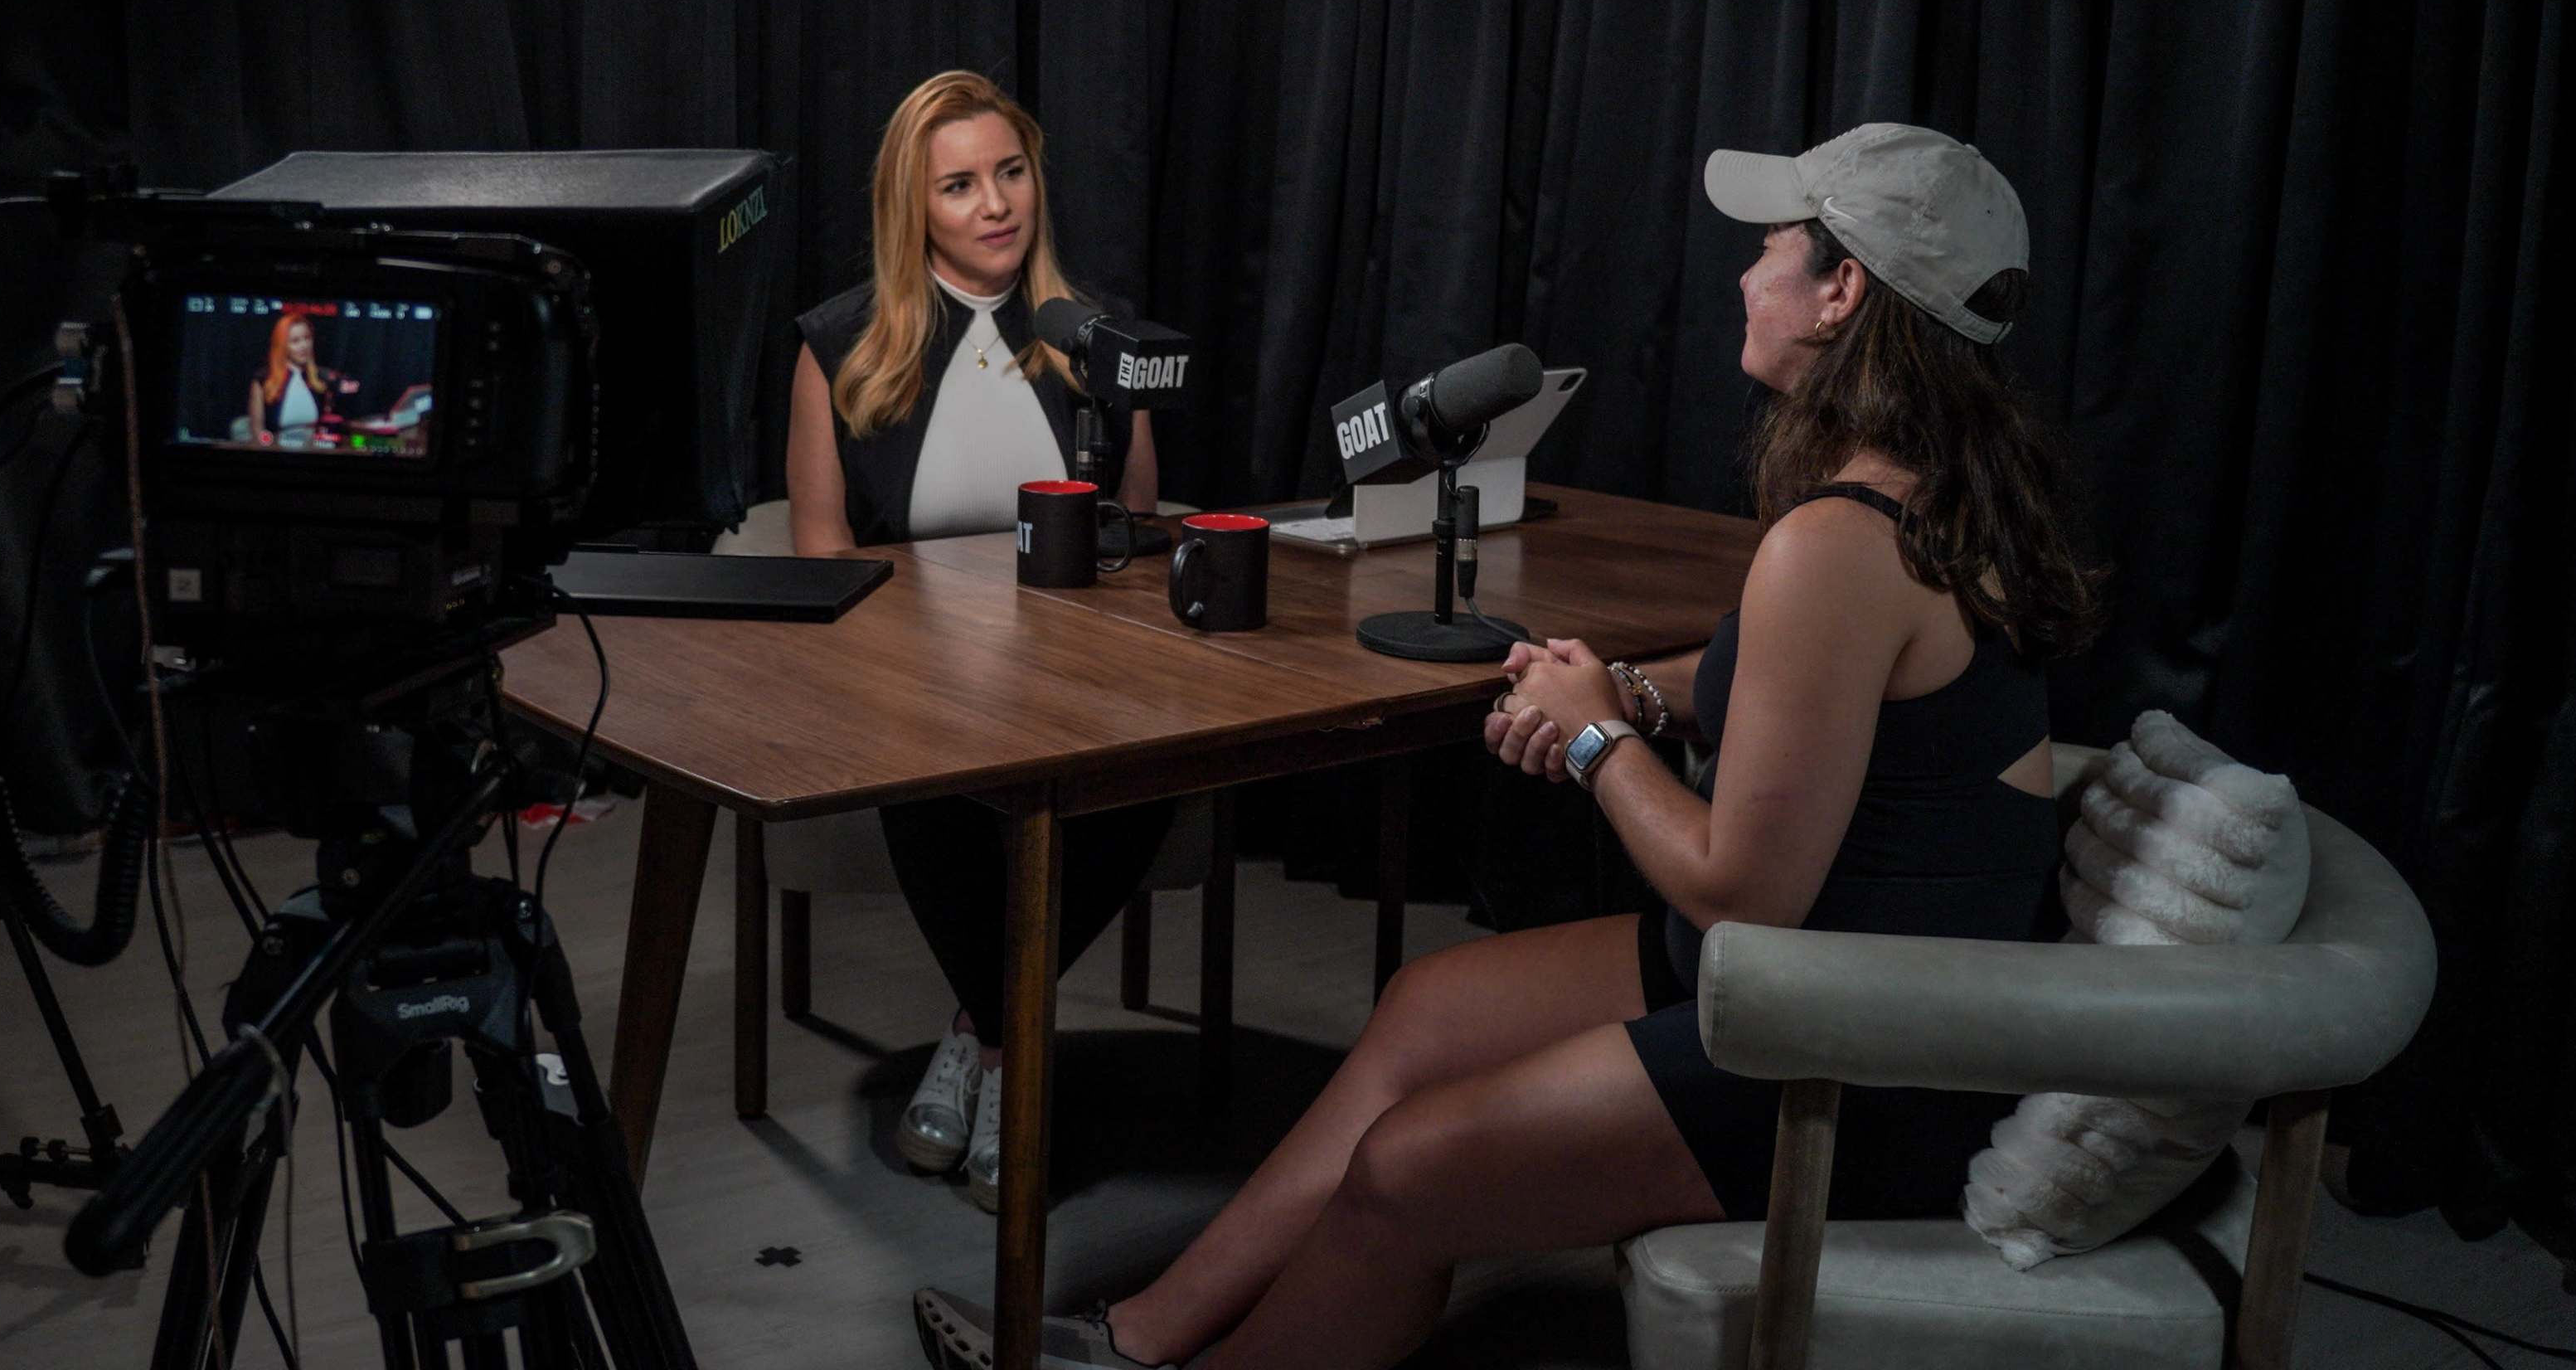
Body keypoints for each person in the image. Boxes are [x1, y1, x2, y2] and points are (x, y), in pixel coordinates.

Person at [914, 123, 2103, 1368]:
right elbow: (1810, 699)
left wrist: (1594, 740)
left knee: (1408, 1171)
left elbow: (1742, 887)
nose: (1747, 278)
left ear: (1842, 292)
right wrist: (1636, 696)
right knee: (1431, 1006)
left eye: (1770, 252)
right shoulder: (1929, 499)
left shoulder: (1836, 545)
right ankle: (1132, 1346)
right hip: (1846, 992)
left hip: (1840, 1062)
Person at [788, 69, 1170, 1212]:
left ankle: (981, 1043)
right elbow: (819, 554)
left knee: (1144, 775)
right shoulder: (841, 345)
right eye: (960, 185)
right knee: (943, 772)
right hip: (913, 690)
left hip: (1078, 681)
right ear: (916, 209)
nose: (996, 203)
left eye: (1010, 173)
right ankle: (1014, 1057)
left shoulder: (1101, 339)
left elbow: (1144, 538)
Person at [245, 308, 346, 447]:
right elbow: (257, 433)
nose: (304, 346)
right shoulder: (263, 379)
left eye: (307, 338)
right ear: (283, 346)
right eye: (295, 341)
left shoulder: (320, 378)